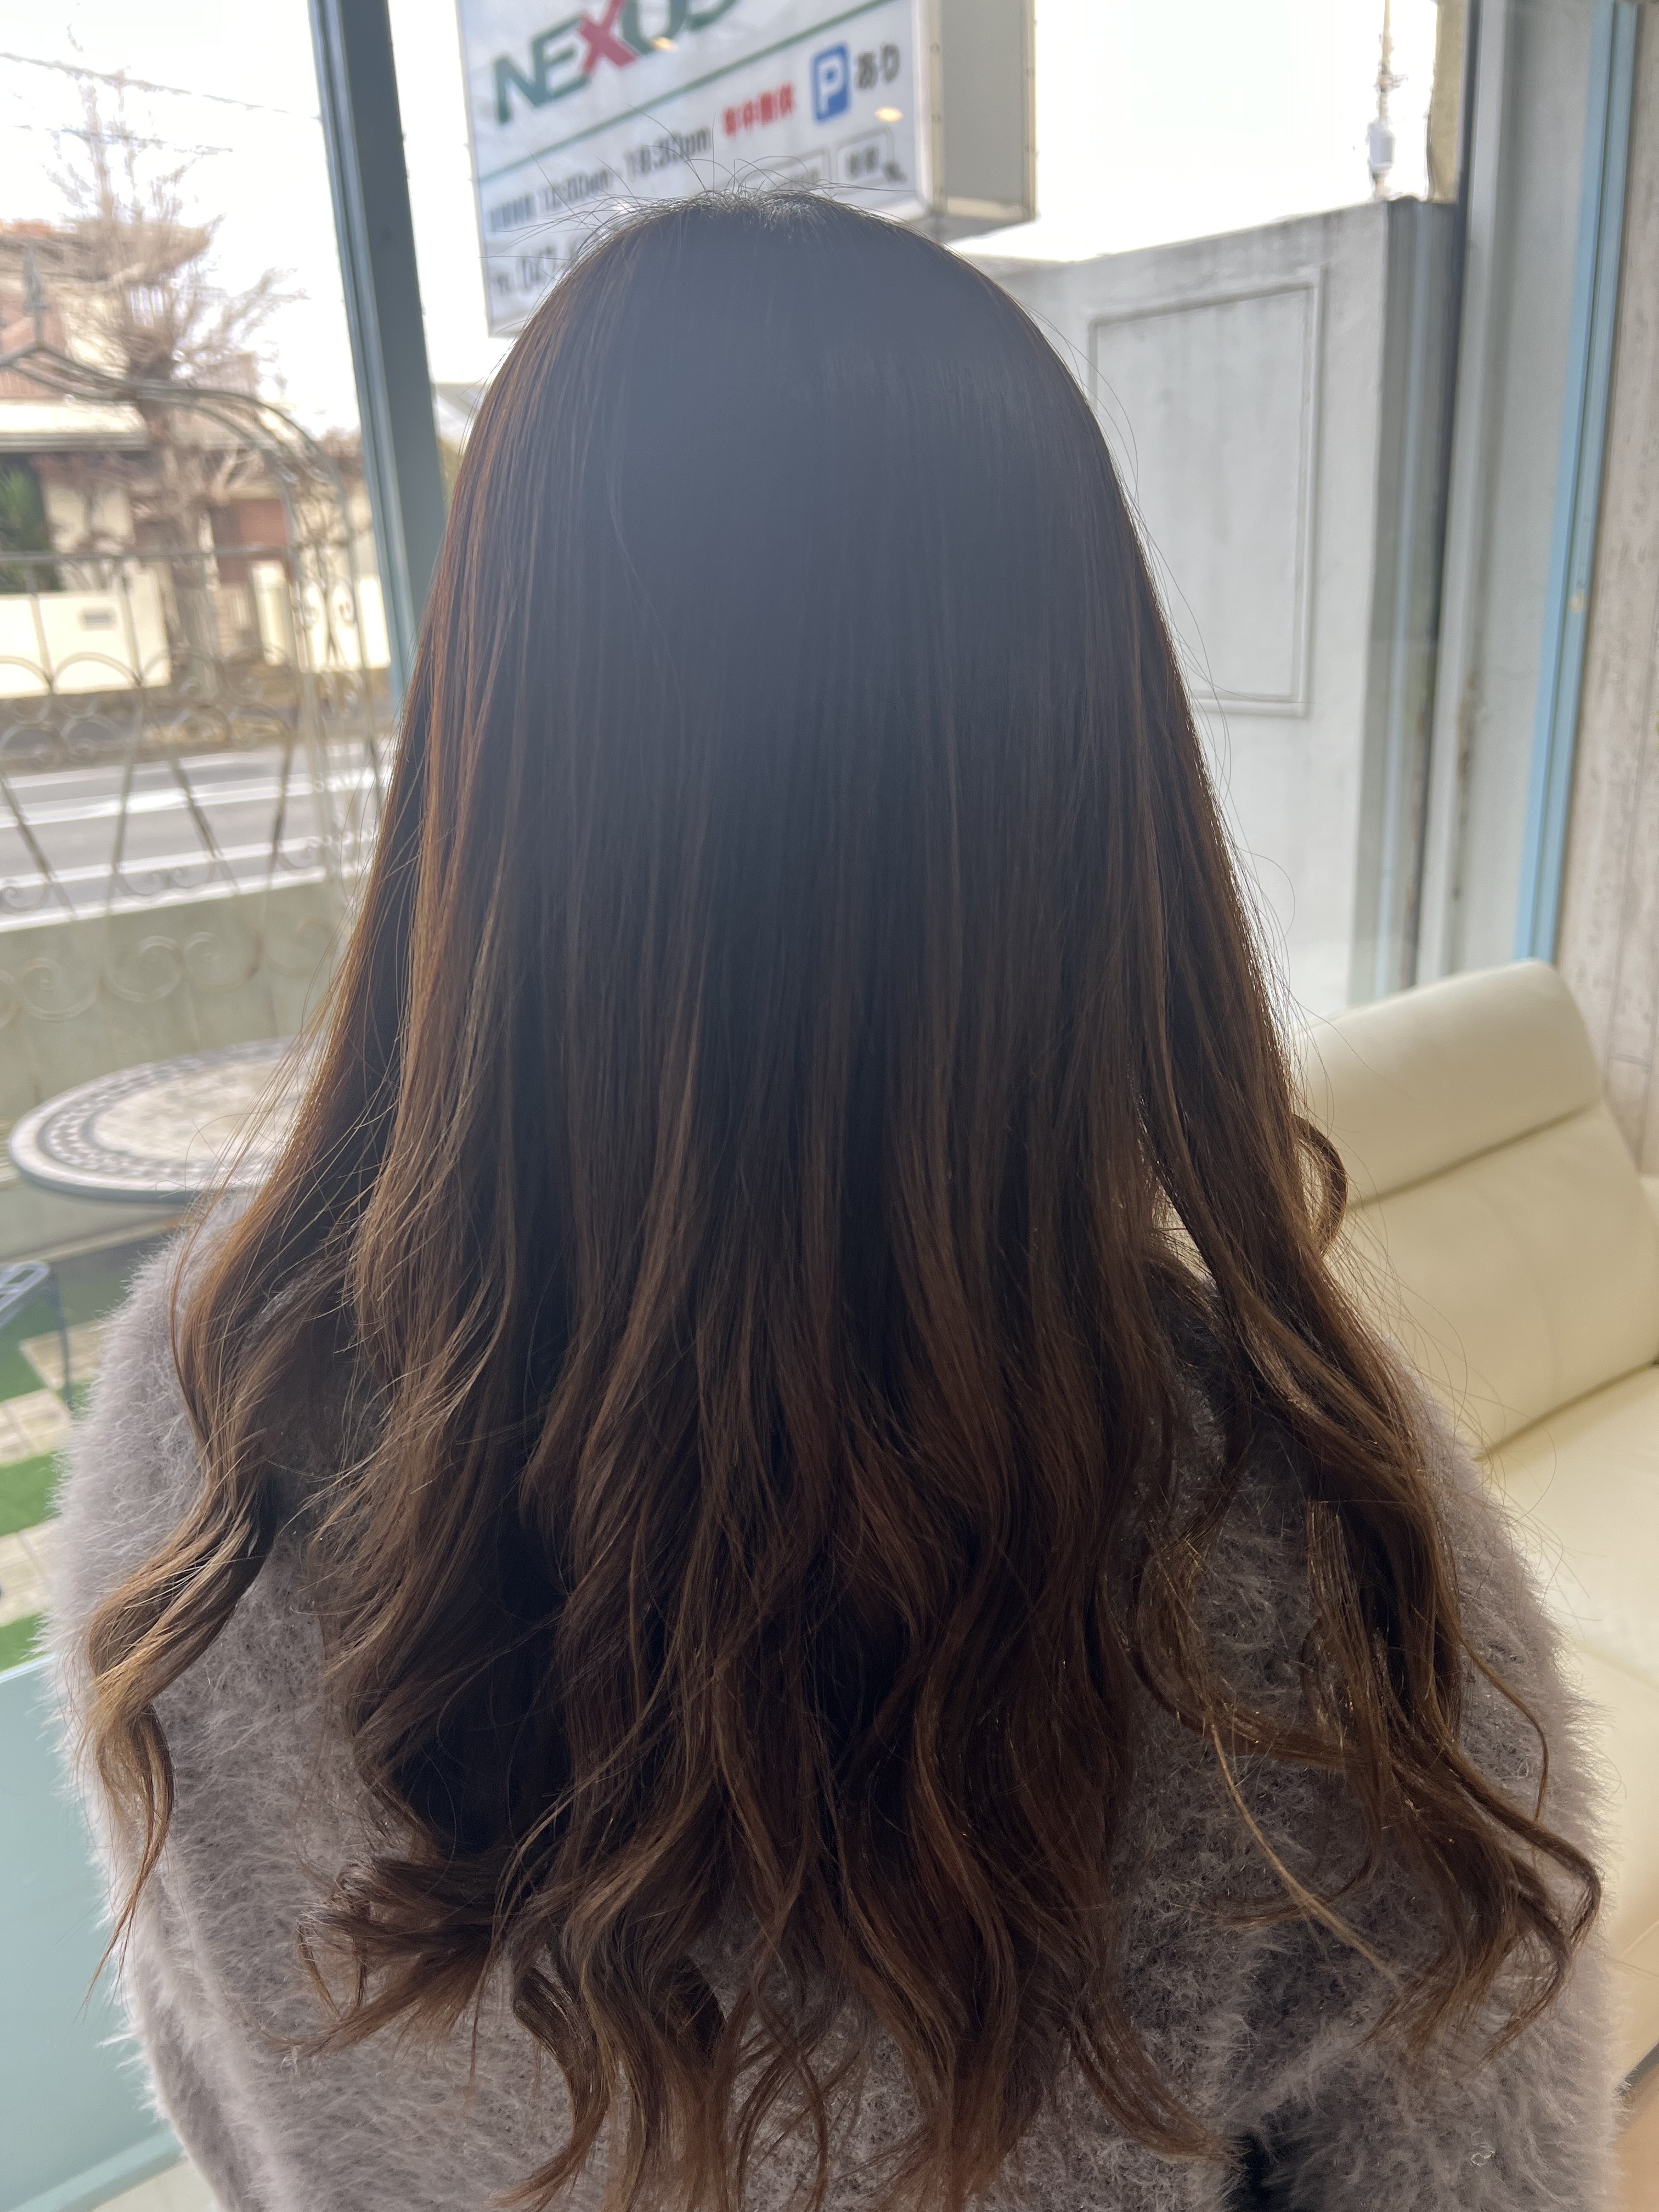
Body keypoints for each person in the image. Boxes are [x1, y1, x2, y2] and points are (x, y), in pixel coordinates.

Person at [54, 191, 1612, 2212]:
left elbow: (228, 2087)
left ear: (484, 752)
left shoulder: (204, 1416)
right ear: (1094, 790)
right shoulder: (1295, 1542)